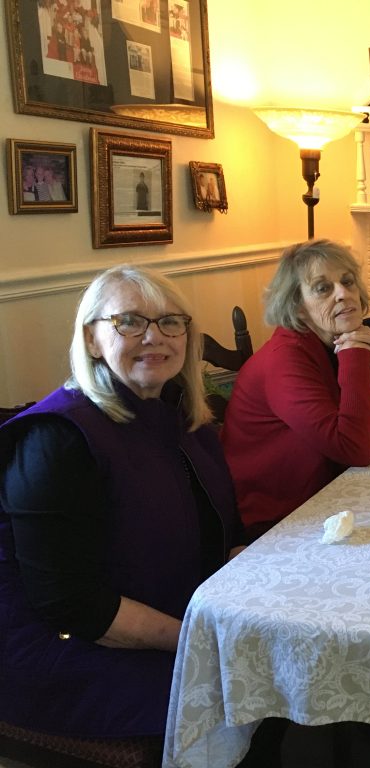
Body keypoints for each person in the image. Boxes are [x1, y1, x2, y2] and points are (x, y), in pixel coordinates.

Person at [0, 266, 246, 748]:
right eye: (130, 322)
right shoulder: (56, 439)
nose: (154, 337)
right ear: (92, 338)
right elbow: (74, 606)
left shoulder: (182, 413)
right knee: (239, 688)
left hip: (170, 613)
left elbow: (226, 526)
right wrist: (201, 640)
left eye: (170, 322)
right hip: (64, 651)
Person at [220, 239, 370, 541]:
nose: (343, 294)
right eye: (323, 288)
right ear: (297, 304)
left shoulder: (338, 338)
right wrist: (356, 356)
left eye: (348, 282)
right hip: (283, 523)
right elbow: (356, 450)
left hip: (336, 498)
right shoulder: (286, 358)